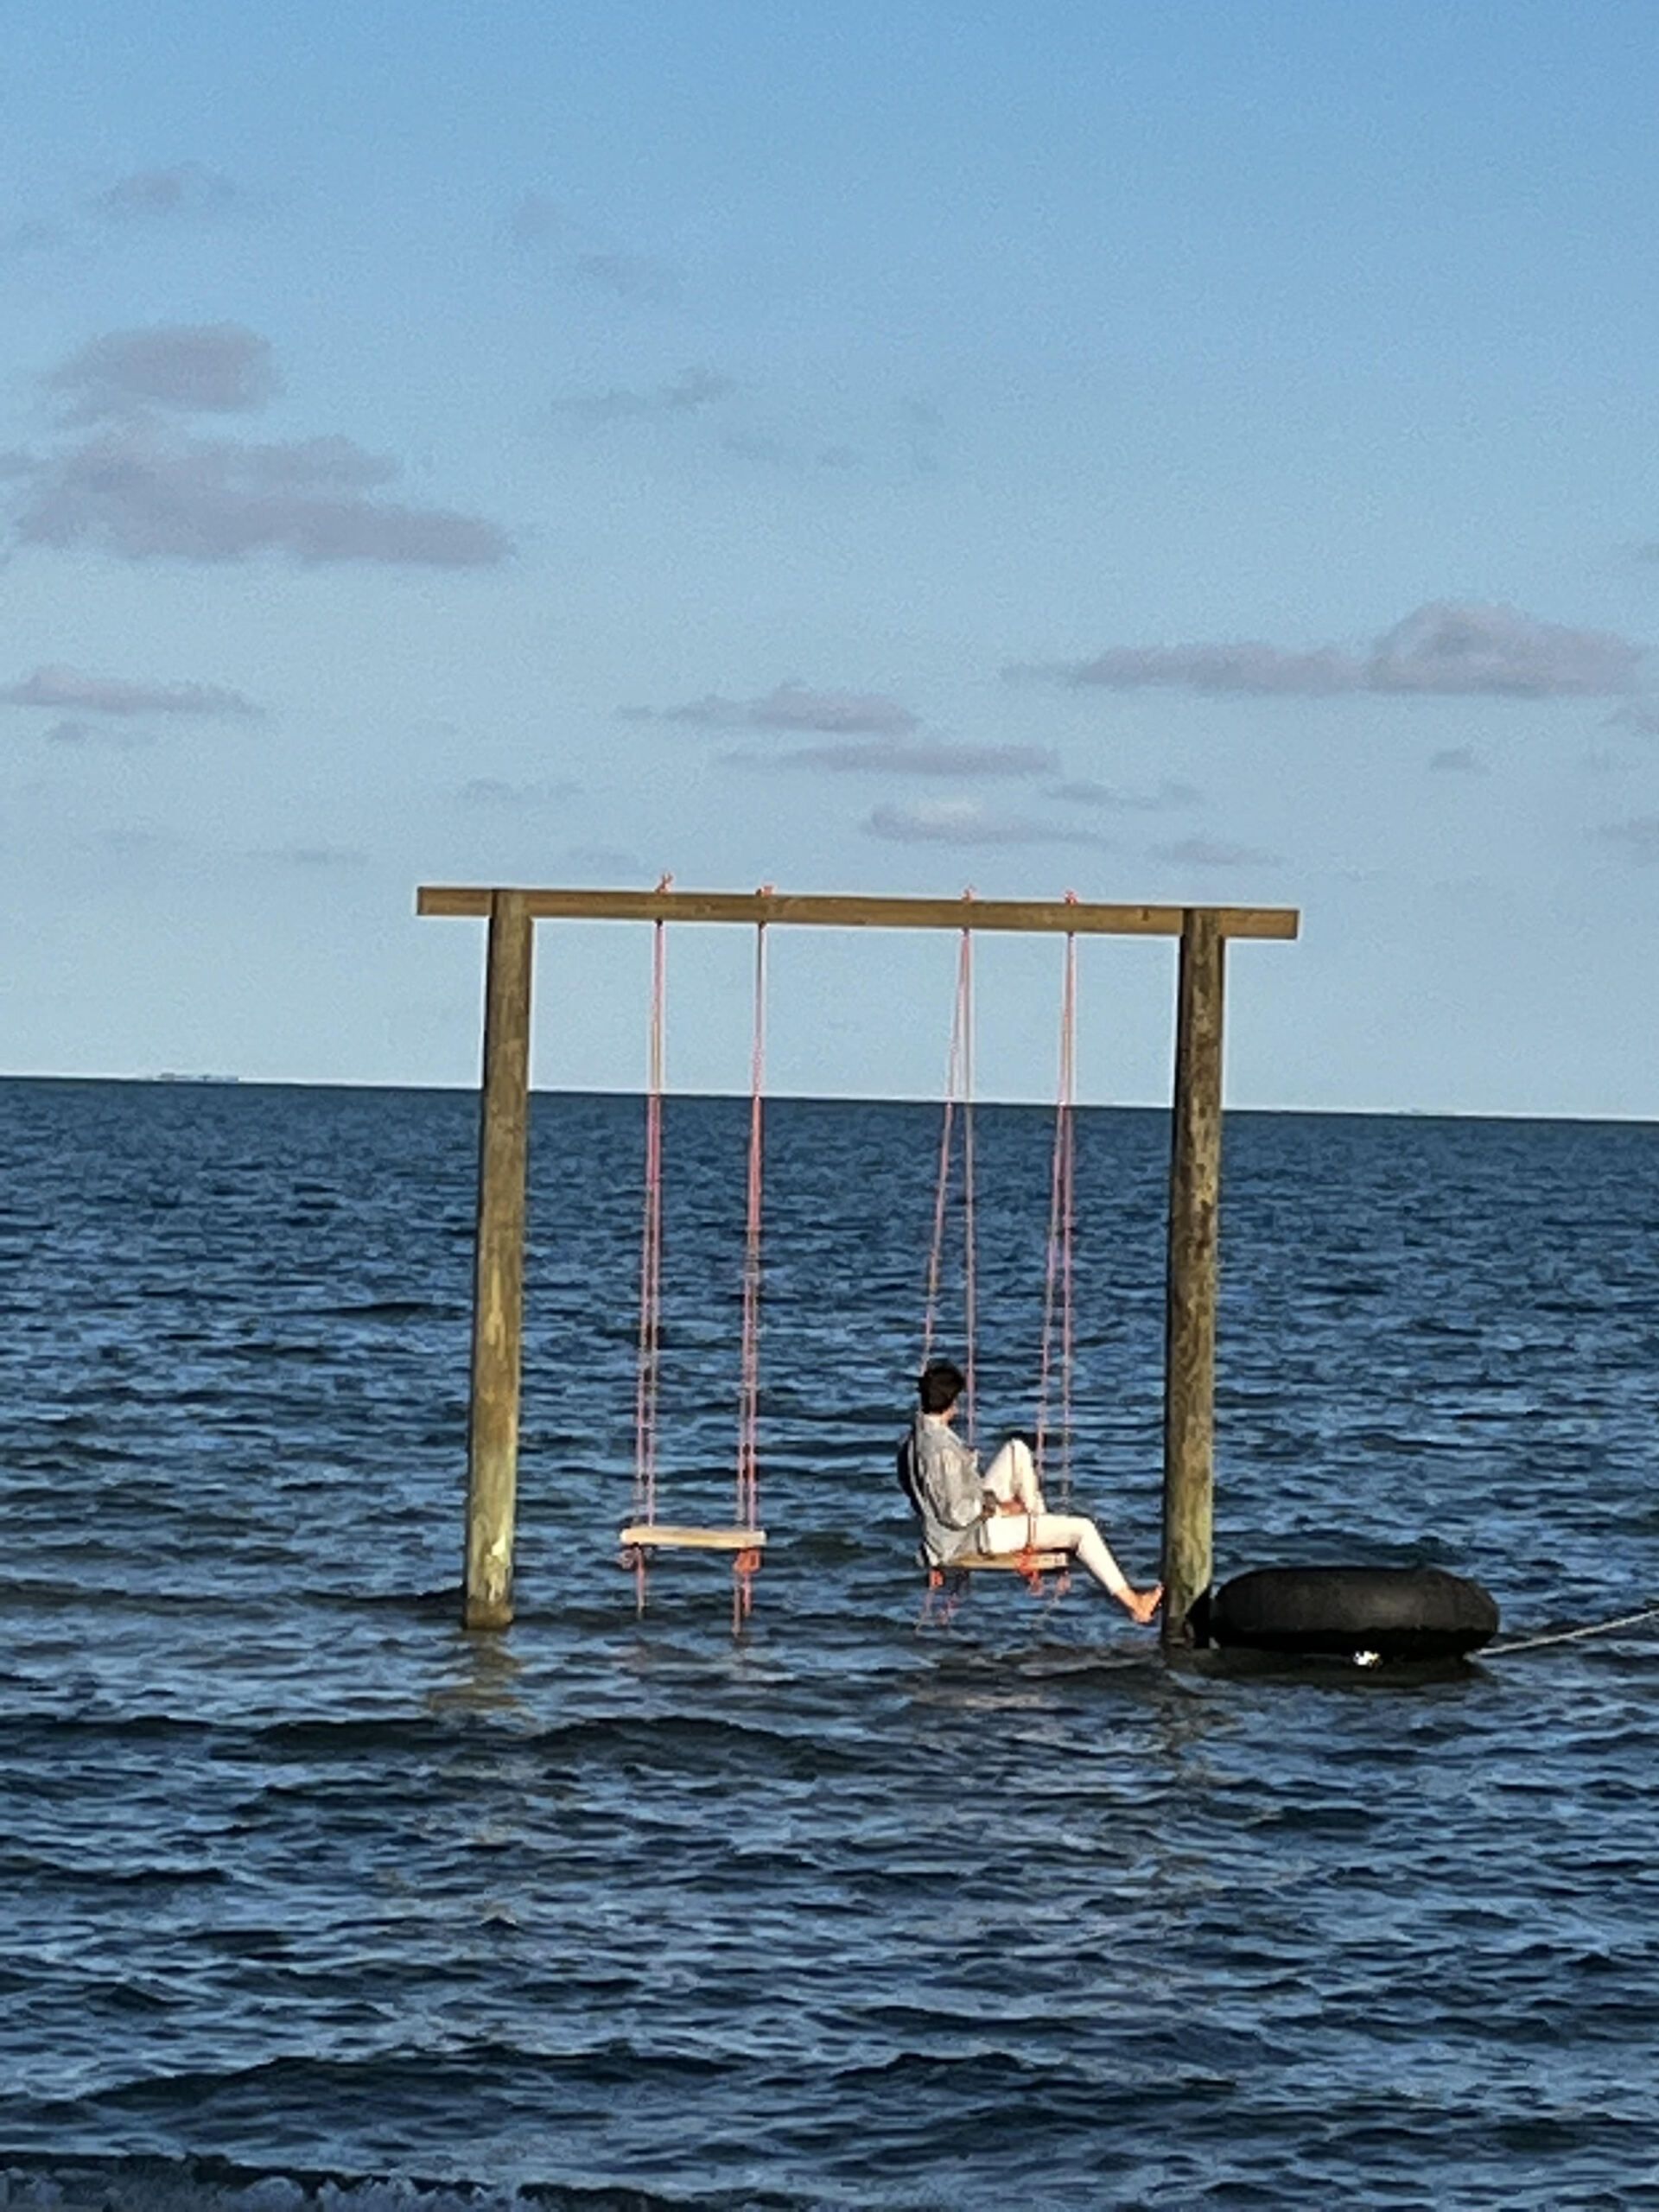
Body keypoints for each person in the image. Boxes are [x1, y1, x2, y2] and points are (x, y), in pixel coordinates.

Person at [897, 1357, 1162, 1624]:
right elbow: (958, 1512)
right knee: (1083, 1530)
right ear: (951, 1400)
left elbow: (919, 1493)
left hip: (956, 1530)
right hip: (972, 1535)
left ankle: (1036, 1528)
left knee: (1016, 1450)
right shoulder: (942, 1450)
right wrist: (997, 1508)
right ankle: (1134, 1604)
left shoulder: (914, 1438)